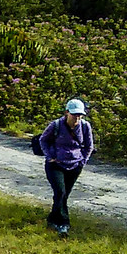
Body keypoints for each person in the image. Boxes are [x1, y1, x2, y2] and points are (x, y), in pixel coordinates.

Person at [36, 98, 94, 235]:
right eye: (74, 115)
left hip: (75, 165)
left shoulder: (85, 126)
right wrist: (50, 156)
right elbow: (42, 140)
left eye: (79, 115)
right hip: (55, 165)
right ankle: (63, 224)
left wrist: (82, 161)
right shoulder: (56, 125)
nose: (77, 118)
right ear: (67, 113)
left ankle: (52, 219)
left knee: (63, 195)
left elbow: (89, 146)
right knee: (60, 192)